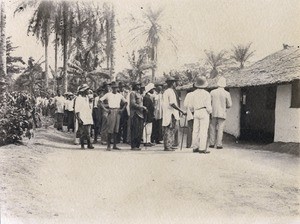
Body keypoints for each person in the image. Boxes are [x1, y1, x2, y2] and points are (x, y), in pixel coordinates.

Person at [99, 81, 127, 151]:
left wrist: (122, 109)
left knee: (116, 129)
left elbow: (126, 102)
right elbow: (100, 101)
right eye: (113, 88)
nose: (115, 89)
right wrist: (105, 109)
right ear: (111, 88)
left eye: (116, 88)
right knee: (110, 129)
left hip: (118, 111)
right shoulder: (108, 94)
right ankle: (108, 146)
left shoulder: (120, 95)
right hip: (111, 111)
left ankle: (114, 145)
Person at [162, 77, 186, 151]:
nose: (176, 84)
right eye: (175, 83)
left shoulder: (166, 91)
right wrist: (181, 111)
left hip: (168, 113)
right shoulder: (170, 91)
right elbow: (172, 103)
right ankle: (168, 146)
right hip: (171, 113)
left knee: (169, 129)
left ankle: (169, 145)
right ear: (173, 83)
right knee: (170, 129)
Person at [189, 76, 212, 154]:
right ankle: (202, 148)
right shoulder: (207, 94)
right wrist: (210, 112)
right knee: (203, 131)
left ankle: (195, 147)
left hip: (196, 112)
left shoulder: (193, 94)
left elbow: (191, 106)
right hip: (204, 111)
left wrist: (193, 111)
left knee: (195, 130)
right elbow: (208, 106)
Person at [209, 77, 232, 149]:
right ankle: (219, 144)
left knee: (212, 128)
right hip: (222, 113)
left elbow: (209, 102)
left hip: (213, 112)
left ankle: (212, 143)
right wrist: (225, 106)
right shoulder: (227, 93)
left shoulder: (212, 92)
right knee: (220, 129)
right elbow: (229, 105)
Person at [75, 84, 94, 149]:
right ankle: (82, 145)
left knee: (88, 132)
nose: (88, 91)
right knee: (82, 132)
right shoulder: (78, 98)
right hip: (82, 117)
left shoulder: (87, 98)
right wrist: (79, 119)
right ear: (84, 91)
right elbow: (77, 110)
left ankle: (89, 144)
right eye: (87, 90)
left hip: (88, 117)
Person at [130, 82, 147, 150]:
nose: (139, 86)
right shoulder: (132, 93)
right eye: (137, 85)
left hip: (140, 114)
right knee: (135, 130)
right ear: (134, 86)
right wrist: (142, 107)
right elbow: (133, 104)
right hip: (135, 113)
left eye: (139, 85)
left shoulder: (139, 94)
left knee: (140, 130)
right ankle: (133, 145)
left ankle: (137, 145)